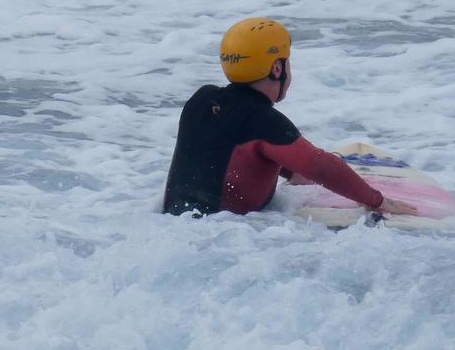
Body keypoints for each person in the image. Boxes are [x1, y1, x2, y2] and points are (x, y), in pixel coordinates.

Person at [162, 17, 417, 218]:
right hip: (224, 232)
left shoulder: (202, 100)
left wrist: (291, 173)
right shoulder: (264, 121)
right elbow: (319, 164)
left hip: (171, 221)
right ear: (276, 68)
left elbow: (222, 148)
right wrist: (378, 201)